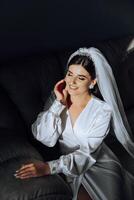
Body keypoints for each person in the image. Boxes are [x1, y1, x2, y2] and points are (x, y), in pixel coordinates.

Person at [15, 47, 134, 200]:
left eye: (81, 78)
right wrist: (58, 103)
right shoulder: (57, 98)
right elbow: (43, 137)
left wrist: (48, 167)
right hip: (67, 166)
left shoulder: (102, 111)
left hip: (97, 165)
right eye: (70, 74)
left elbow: (86, 154)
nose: (72, 82)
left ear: (93, 82)